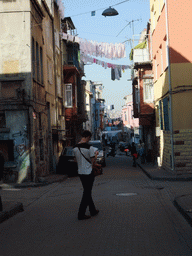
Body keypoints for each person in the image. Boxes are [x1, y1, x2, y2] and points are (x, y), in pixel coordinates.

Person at [73, 130, 99, 220]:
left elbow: (75, 160)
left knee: (87, 191)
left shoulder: (75, 148)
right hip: (89, 172)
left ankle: (93, 210)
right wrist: (96, 155)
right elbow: (93, 161)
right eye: (89, 138)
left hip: (80, 172)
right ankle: (81, 214)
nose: (89, 140)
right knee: (87, 193)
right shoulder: (90, 148)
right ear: (88, 137)